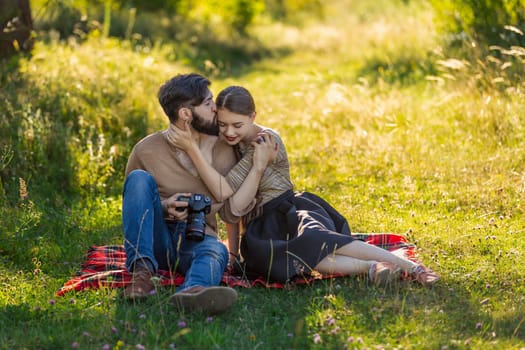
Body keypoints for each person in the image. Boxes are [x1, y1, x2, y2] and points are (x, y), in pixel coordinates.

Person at [169, 85, 441, 287]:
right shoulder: (229, 144)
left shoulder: (265, 142)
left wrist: (249, 167)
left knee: (315, 240)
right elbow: (233, 211)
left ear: (253, 116)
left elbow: (232, 203)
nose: (229, 132)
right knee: (286, 260)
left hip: (288, 210)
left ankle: (413, 268)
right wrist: (235, 253)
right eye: (223, 124)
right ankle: (372, 268)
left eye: (237, 125)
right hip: (260, 225)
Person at [121, 74, 275, 314]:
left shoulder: (225, 147)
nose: (216, 108)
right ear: (185, 114)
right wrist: (163, 206)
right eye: (207, 103)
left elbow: (231, 206)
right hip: (157, 239)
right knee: (138, 179)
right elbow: (134, 200)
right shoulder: (146, 149)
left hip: (198, 238)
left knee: (216, 250)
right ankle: (141, 272)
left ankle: (193, 292)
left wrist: (235, 253)